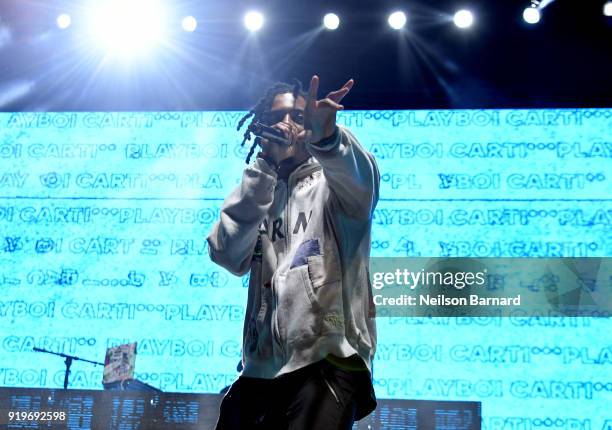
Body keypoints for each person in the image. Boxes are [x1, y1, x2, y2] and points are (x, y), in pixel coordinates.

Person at [207, 75, 380, 429]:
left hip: (329, 361)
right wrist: (264, 171)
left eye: (299, 117)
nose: (286, 124)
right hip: (260, 370)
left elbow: (361, 179)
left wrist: (329, 138)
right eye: (276, 117)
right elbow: (226, 253)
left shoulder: (333, 186)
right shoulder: (258, 193)